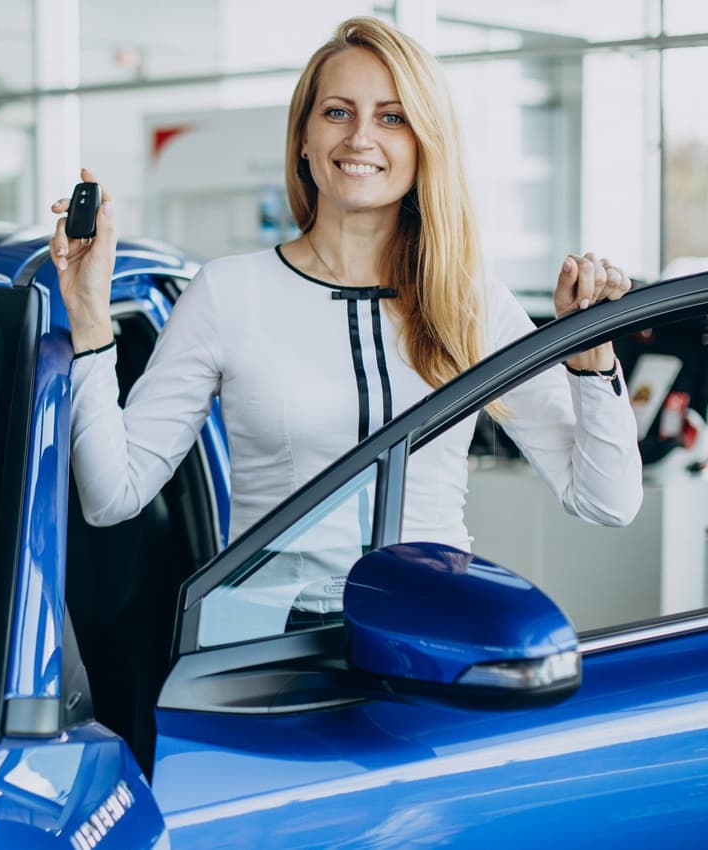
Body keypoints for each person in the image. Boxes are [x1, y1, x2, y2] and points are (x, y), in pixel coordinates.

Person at [48, 16, 642, 626]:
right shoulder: (228, 292)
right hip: (257, 642)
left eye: (391, 117)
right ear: (303, 138)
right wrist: (91, 319)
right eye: (337, 112)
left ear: (422, 143)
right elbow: (110, 496)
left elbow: (606, 501)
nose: (361, 137)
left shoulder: (471, 301)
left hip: (428, 633)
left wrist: (590, 354)